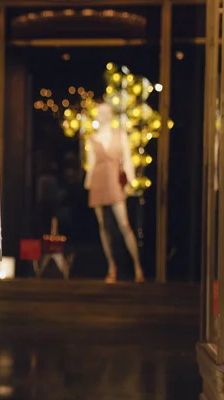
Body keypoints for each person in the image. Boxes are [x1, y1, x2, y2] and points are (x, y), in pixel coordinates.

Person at [84, 102, 145, 284]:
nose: (103, 116)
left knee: (124, 224)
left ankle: (137, 267)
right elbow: (91, 164)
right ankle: (112, 266)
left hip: (114, 182)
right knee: (104, 227)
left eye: (105, 113)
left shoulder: (120, 135)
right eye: (100, 113)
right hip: (98, 181)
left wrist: (129, 182)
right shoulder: (93, 139)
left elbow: (126, 159)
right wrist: (88, 186)